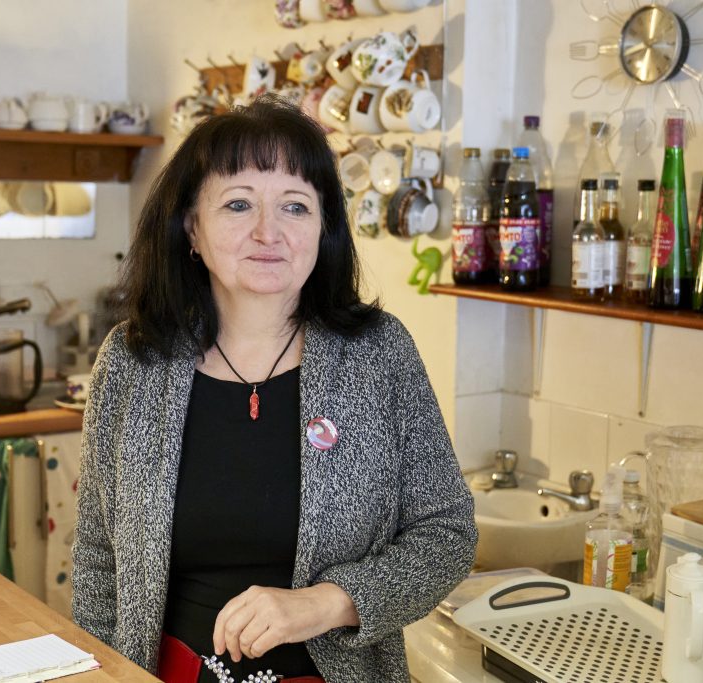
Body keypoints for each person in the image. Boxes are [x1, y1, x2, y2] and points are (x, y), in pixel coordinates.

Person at [71, 95, 477, 683]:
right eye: (238, 204)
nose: (269, 232)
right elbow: (97, 559)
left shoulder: (378, 354)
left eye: (295, 206)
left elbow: (447, 534)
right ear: (192, 227)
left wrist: (328, 601)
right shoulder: (133, 363)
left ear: (322, 228)